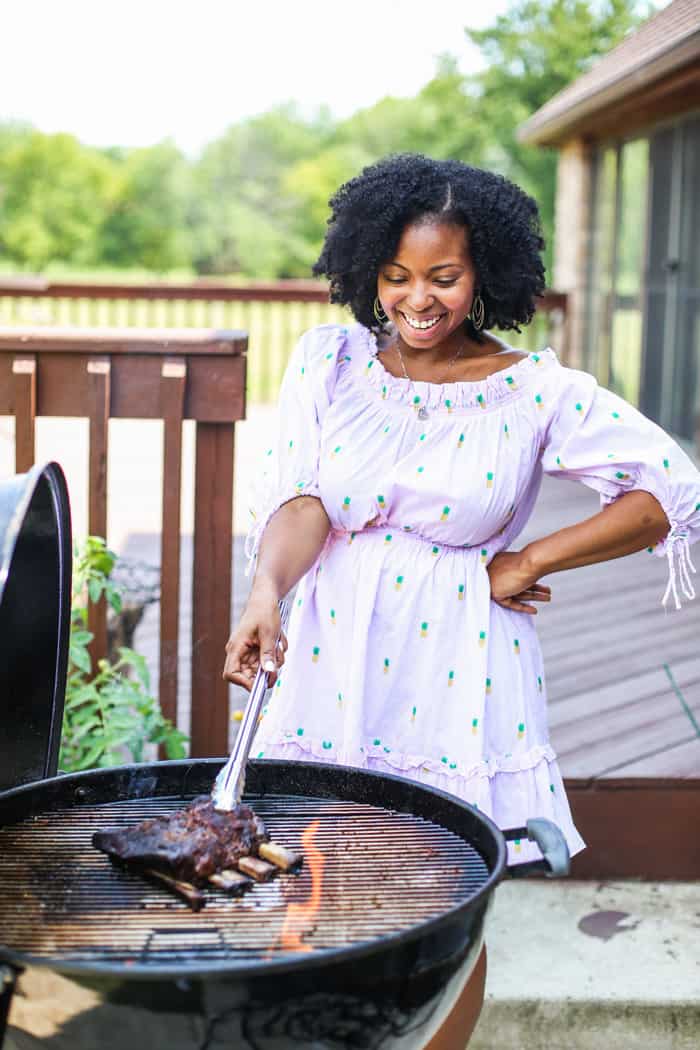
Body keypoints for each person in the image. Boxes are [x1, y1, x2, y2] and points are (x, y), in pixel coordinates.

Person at [223, 153, 700, 1047]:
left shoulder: (535, 391)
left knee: (439, 887)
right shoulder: (332, 363)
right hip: (326, 646)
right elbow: (303, 501)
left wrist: (528, 560)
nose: (417, 299)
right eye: (397, 275)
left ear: (483, 275)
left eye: (443, 275)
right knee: (314, 868)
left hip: (456, 658)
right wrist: (265, 593)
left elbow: (667, 490)